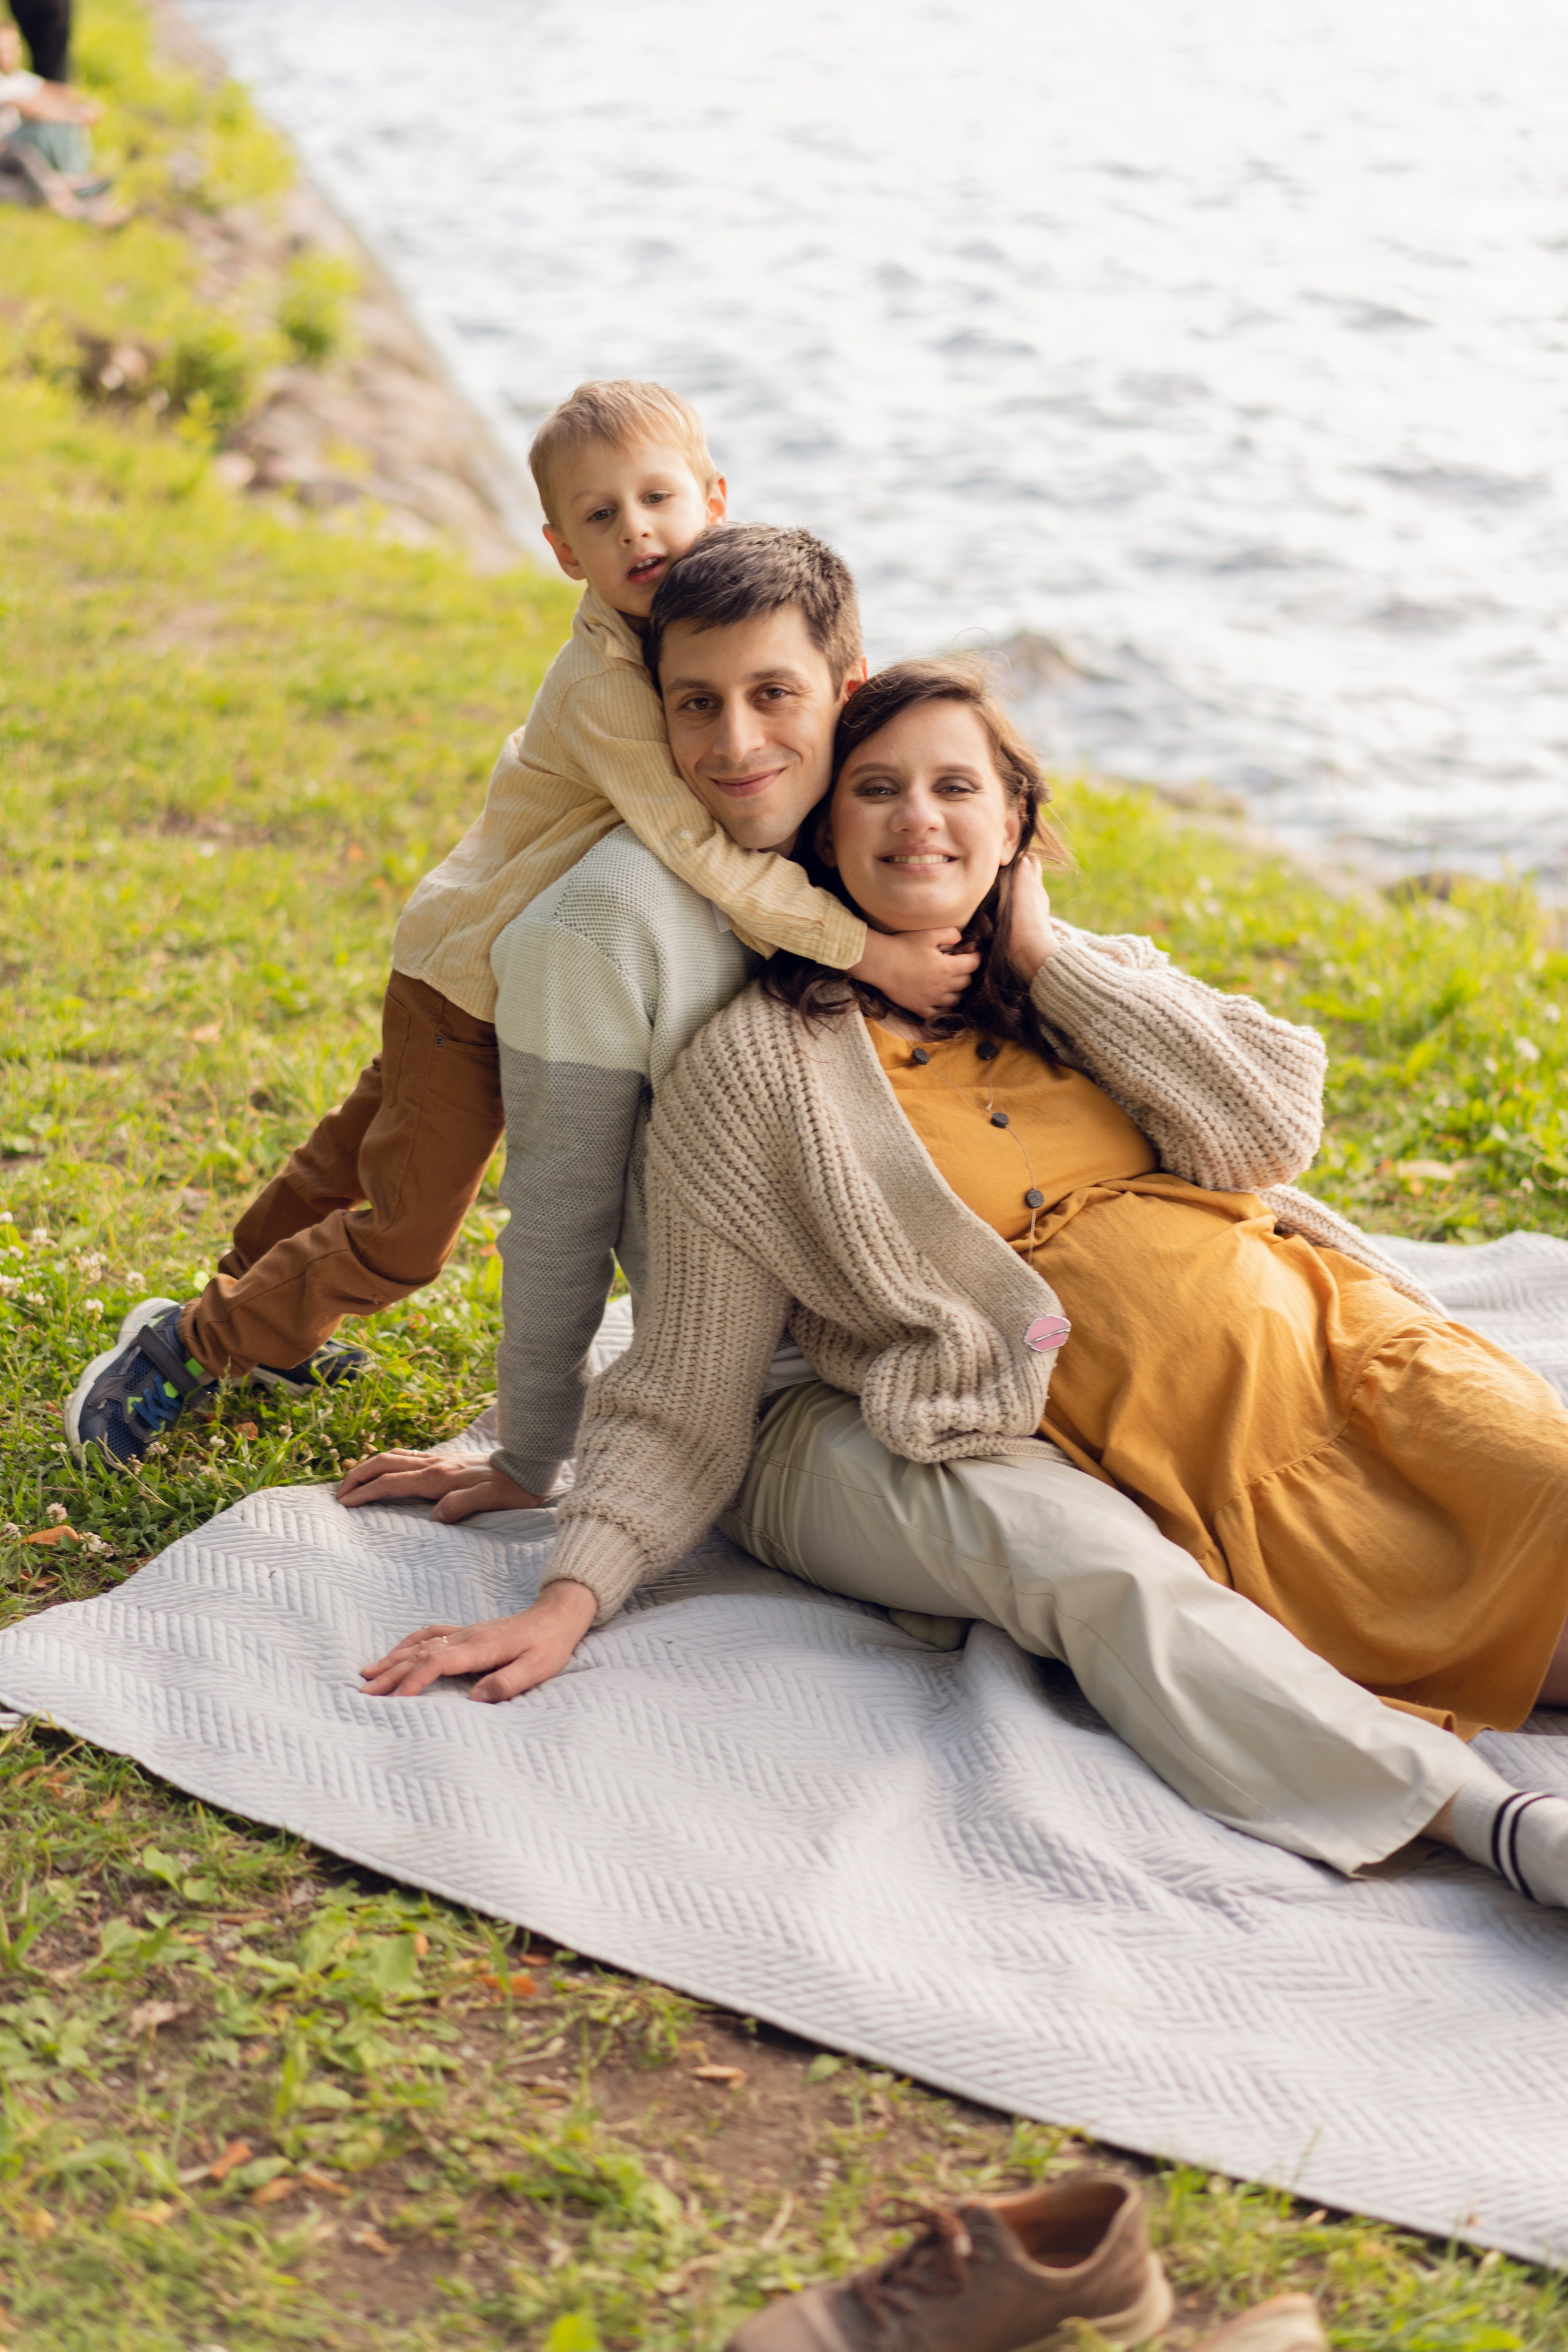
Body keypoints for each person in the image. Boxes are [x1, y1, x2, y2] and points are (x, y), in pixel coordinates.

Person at [356, 655, 1568, 1910]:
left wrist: (1046, 955)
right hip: (1190, 1452)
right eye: (875, 788)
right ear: (825, 829)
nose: (917, 817)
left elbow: (1265, 1128)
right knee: (1471, 1627)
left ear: (1013, 826)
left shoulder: (1086, 982)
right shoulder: (763, 1068)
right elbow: (684, 1381)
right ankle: (1504, 1829)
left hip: (1345, 1351)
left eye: (955, 787)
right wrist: (570, 1593)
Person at [65, 385, 962, 1471]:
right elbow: (701, 852)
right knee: (400, 1235)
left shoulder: (695, 646)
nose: (636, 527)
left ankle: (248, 1306)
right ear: (560, 550)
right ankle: (189, 1348)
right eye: (599, 516)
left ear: (713, 500)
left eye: (658, 497)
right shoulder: (609, 686)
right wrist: (862, 946)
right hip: (482, 984)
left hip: (462, 943)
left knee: (354, 1155)